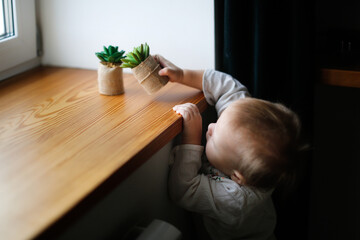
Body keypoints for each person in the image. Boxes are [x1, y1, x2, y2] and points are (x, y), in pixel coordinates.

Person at [155, 55, 303, 240]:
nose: (210, 128)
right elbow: (228, 87)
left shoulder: (235, 200)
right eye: (218, 123)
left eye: (214, 138)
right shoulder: (239, 122)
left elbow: (182, 190)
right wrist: (182, 74)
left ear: (236, 177)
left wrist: (191, 138)